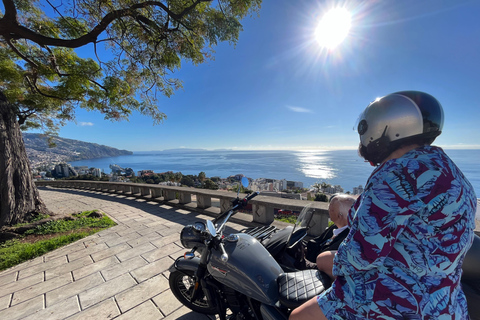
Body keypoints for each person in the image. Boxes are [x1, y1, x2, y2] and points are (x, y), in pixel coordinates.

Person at [290, 91, 477, 319]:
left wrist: (334, 260)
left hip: (394, 300)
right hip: (445, 302)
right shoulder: (452, 172)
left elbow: (362, 255)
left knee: (298, 316)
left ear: (378, 128)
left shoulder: (396, 173)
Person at [300, 194, 355, 275]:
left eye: (331, 209)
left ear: (340, 216)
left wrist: (303, 261)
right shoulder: (335, 227)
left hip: (313, 273)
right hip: (309, 259)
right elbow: (317, 242)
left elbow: (325, 267)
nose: (328, 210)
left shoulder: (346, 239)